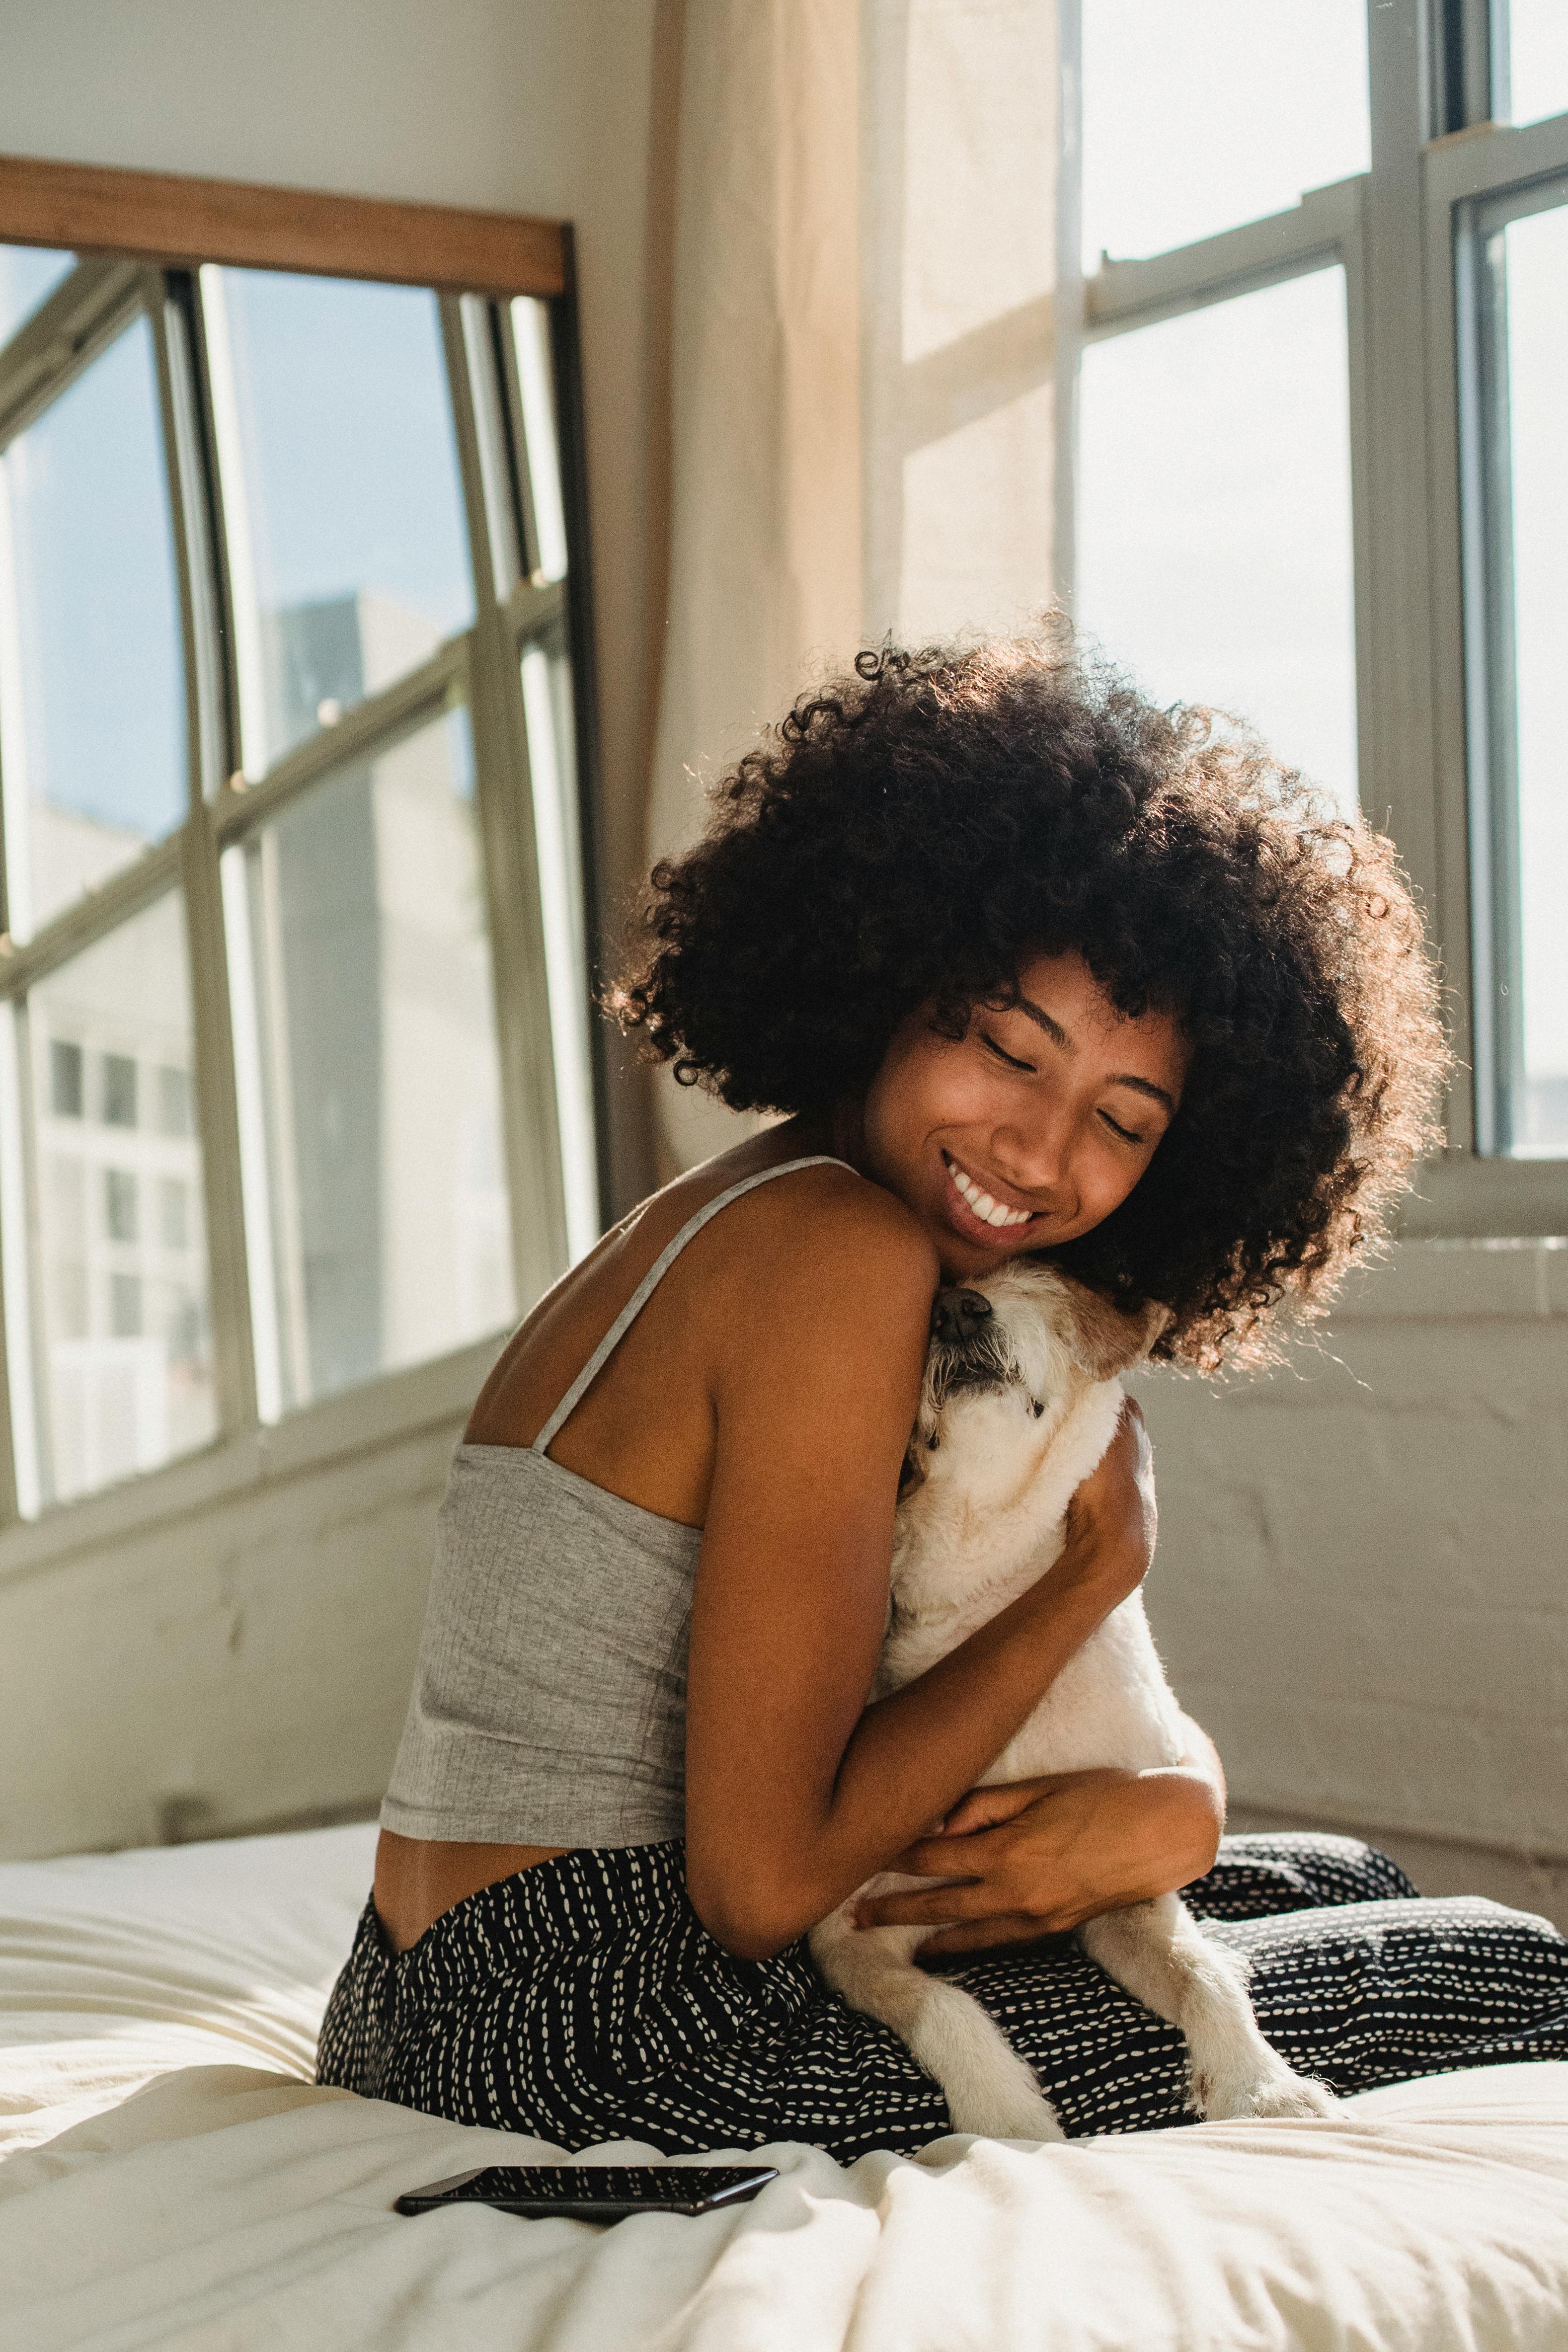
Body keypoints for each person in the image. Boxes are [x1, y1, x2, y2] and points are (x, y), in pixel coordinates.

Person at [318, 629, 1567, 2157]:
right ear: (897, 969)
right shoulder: (837, 1256)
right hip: (605, 2027)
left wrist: (1173, 1805)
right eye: (1003, 1045)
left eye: (1118, 1117)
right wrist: (1092, 1577)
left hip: (418, 1989)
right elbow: (763, 1887)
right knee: (1503, 1966)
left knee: (1340, 1886)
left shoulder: (734, 1207)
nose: (1039, 1153)